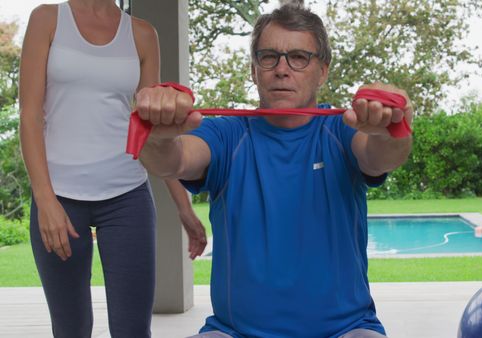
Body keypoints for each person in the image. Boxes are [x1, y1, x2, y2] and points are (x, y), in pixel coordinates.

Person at [134, 4, 412, 337]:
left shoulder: (341, 131)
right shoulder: (227, 134)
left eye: (298, 57)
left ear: (322, 71)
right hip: (235, 332)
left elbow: (382, 156)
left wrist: (392, 127)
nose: (282, 69)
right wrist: (157, 137)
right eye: (269, 57)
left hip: (346, 329)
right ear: (254, 70)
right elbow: (171, 160)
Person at [18, 1, 207, 337]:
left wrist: (184, 206)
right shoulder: (47, 19)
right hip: (58, 198)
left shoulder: (143, 34)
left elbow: (153, 128)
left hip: (127, 197)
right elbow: (30, 116)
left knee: (133, 330)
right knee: (71, 328)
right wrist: (45, 200)